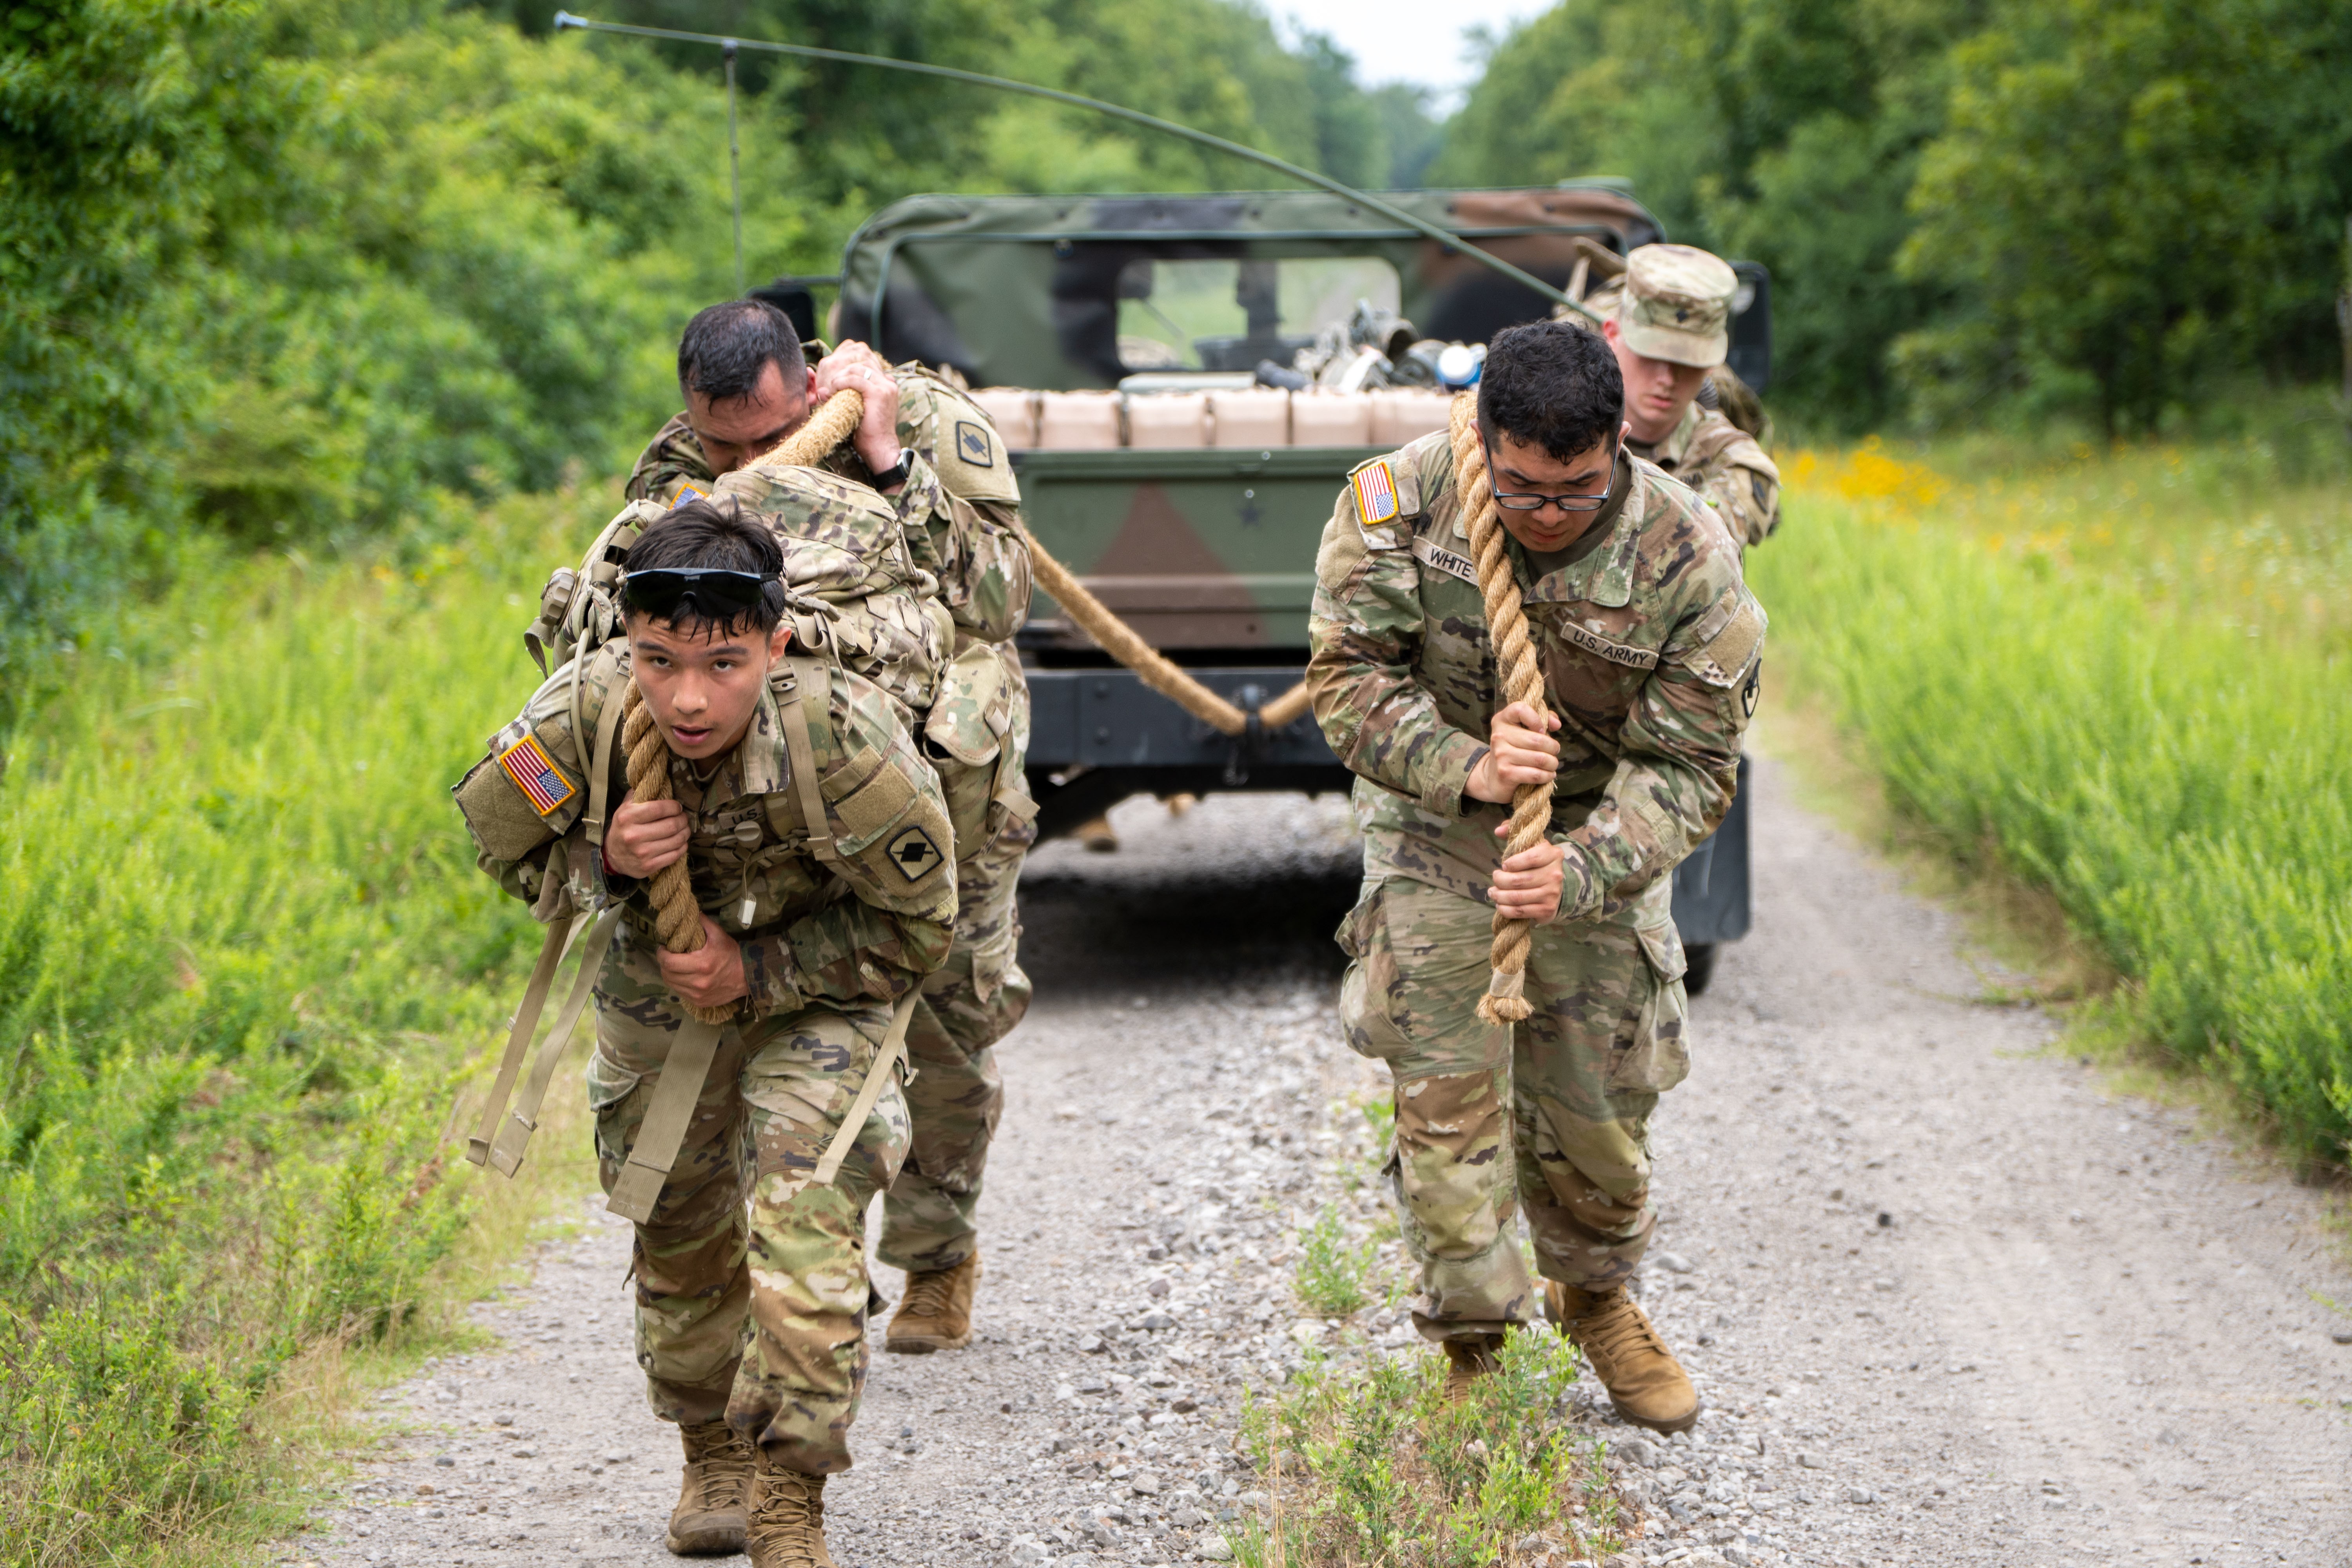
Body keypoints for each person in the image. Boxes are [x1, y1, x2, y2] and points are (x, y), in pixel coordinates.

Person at [454, 502, 958, 1564]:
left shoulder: (843, 736)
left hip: (819, 985)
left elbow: (923, 926)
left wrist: (762, 969)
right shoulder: (586, 713)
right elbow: (495, 840)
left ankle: (789, 1496)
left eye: (723, 664)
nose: (687, 697)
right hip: (660, 988)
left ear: (773, 646)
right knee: (678, 1234)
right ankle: (709, 1456)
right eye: (659, 660)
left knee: (805, 1222)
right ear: (627, 647)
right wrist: (603, 862)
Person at [1304, 319, 1764, 1432]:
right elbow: (1344, 678)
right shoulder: (1401, 503)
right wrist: (1466, 767)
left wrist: (1585, 865)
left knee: (1598, 1109)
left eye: (1573, 489)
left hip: (1598, 836)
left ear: (1618, 446)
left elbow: (1696, 763)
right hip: (1440, 827)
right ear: (1486, 440)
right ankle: (1474, 1346)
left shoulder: (1688, 553)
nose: (1545, 513)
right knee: (1448, 1100)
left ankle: (1598, 1300)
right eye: (1518, 489)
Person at [624, 301, 1036, 1359]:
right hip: (778, 801)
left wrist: (891, 460)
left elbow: (1001, 598)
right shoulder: (676, 467)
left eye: (768, 439)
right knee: (795, 1042)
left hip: (938, 793)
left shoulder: (924, 422)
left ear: (808, 386)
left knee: (950, 1031)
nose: (750, 464)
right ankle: (817, 1270)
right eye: (725, 447)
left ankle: (940, 1253)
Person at [1584, 244, 1782, 549]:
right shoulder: (1554, 430)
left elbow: (1697, 548)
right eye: (1650, 354)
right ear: (1612, 334)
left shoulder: (1732, 458)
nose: (1667, 379)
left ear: (1713, 362)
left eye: (1688, 361)